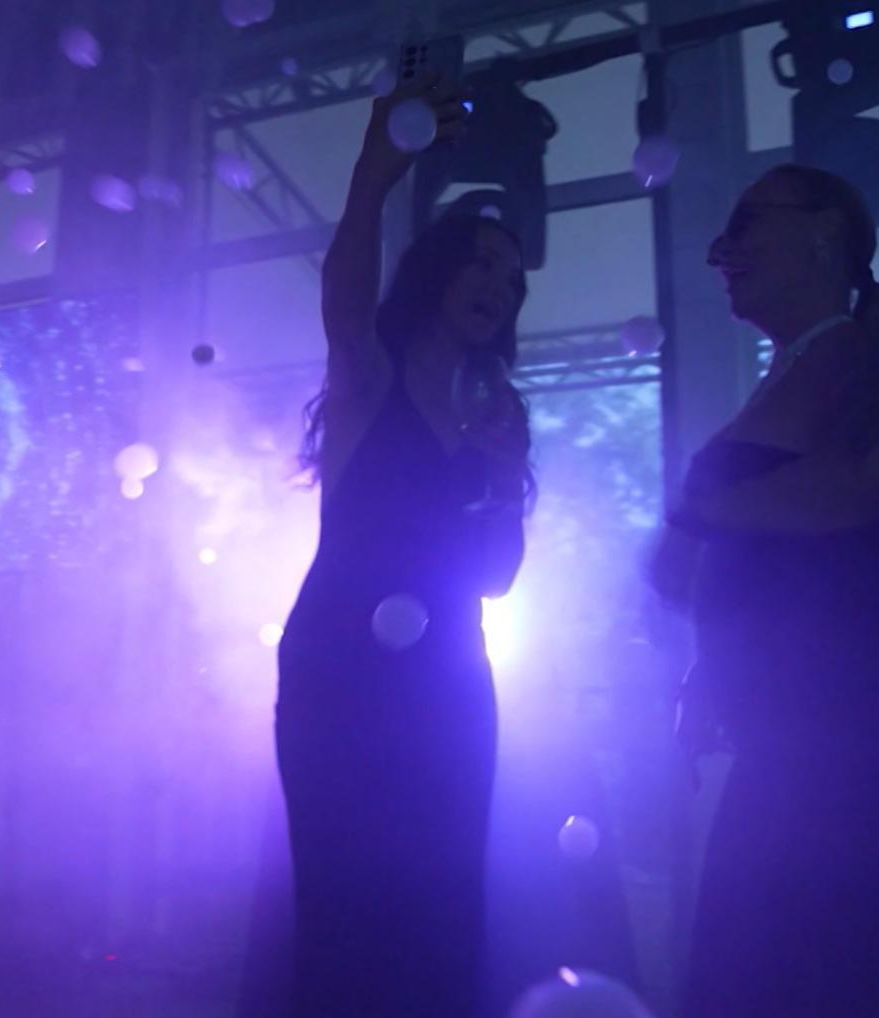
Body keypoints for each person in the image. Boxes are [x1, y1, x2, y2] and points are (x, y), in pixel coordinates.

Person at [275, 72, 534, 1018]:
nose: (497, 287)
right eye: (482, 263)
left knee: (442, 906)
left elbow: (495, 577)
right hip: (339, 668)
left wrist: (504, 474)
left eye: (512, 281)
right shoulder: (371, 376)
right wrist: (373, 172)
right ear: (436, 270)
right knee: (345, 902)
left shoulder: (497, 410)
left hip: (450, 677)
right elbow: (344, 298)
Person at [673, 164, 879, 1018]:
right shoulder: (807, 365)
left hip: (846, 748)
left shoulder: (864, 354)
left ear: (826, 231)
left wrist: (710, 511)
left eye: (746, 224)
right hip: (803, 746)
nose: (720, 251)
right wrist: (712, 670)